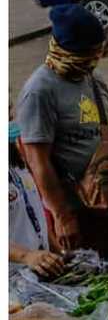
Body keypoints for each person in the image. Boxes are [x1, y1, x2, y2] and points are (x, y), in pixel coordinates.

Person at [17, 5, 108, 259]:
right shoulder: (40, 91)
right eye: (89, 53)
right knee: (88, 283)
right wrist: (63, 216)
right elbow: (37, 161)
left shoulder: (92, 78)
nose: (96, 58)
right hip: (75, 209)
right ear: (68, 50)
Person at [9, 110, 62, 278]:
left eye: (10, 115)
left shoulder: (15, 158)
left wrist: (55, 250)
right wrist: (26, 256)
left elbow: (32, 212)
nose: (11, 123)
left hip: (37, 274)